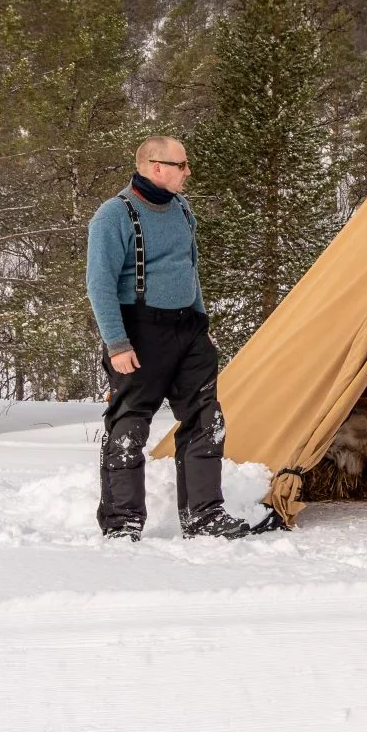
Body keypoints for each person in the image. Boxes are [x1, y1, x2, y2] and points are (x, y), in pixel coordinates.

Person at [86, 136, 267, 539]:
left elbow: (189, 268)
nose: (188, 172)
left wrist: (201, 322)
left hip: (189, 331)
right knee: (129, 424)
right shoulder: (113, 216)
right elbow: (99, 284)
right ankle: (122, 522)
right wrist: (116, 343)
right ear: (156, 167)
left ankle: (204, 517)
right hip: (139, 332)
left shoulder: (183, 209)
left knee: (207, 419)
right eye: (181, 165)